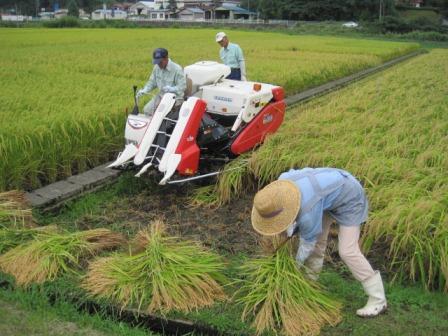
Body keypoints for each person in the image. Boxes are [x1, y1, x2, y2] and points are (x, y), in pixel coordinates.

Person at [251, 167, 387, 318]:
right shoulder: (283, 183)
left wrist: (294, 268)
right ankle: (310, 283)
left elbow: (306, 244)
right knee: (317, 242)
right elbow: (292, 217)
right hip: (324, 196)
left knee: (348, 251)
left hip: (350, 196)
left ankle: (378, 300)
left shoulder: (307, 212)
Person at [136, 48, 186, 116]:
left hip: (175, 99)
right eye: (157, 62)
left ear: (166, 58)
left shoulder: (177, 69)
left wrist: (172, 89)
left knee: (161, 114)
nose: (158, 64)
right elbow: (152, 82)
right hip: (161, 96)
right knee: (147, 110)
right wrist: (145, 90)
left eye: (160, 62)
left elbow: (182, 87)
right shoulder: (156, 68)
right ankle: (152, 126)